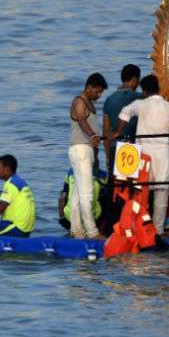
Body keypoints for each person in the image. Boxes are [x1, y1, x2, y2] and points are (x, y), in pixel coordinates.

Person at [116, 74, 169, 233]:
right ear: (158, 89)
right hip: (163, 155)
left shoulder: (141, 104)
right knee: (162, 195)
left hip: (143, 156)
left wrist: (117, 132)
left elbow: (125, 112)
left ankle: (137, 229)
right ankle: (157, 232)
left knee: (139, 195)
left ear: (144, 91)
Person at [67, 72, 107, 239]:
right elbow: (82, 120)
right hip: (80, 149)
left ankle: (76, 230)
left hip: (87, 151)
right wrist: (92, 135)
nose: (98, 95)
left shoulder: (89, 103)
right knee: (87, 193)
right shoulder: (79, 101)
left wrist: (96, 156)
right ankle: (92, 232)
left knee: (77, 194)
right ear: (89, 87)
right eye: (97, 91)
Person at [101, 64, 141, 174]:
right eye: (138, 81)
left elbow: (105, 132)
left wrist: (108, 156)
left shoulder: (109, 100)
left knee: (116, 187)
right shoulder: (139, 97)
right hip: (131, 149)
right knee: (129, 187)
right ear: (134, 80)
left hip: (114, 148)